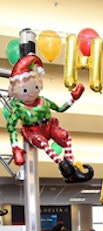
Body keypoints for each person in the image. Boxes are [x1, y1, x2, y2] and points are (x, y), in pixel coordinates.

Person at [5, 54, 93, 183]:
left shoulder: (43, 101)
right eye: (24, 90)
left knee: (65, 137)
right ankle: (63, 166)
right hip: (33, 132)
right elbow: (11, 128)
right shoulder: (18, 108)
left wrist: (73, 99)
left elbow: (60, 109)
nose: (31, 93)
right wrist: (15, 148)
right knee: (44, 144)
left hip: (49, 127)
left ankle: (69, 164)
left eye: (35, 87)